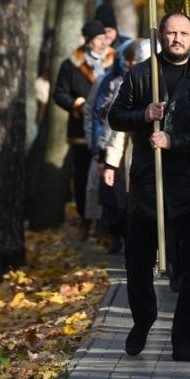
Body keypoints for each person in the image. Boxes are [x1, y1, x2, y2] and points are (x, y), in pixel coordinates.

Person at [108, 13, 190, 362]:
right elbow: (116, 116)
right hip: (148, 184)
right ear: (160, 35)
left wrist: (175, 140)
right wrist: (143, 116)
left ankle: (184, 339)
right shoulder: (141, 74)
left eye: (183, 33)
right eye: (171, 32)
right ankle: (143, 319)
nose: (177, 38)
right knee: (137, 263)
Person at [54, 20, 116, 242]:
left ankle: (104, 224)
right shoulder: (71, 65)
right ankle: (84, 219)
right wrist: (77, 105)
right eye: (98, 40)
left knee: (107, 177)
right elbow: (59, 93)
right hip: (82, 132)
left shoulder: (114, 61)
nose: (103, 43)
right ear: (89, 42)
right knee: (81, 179)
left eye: (104, 39)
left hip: (110, 130)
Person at [84, 37, 137, 254]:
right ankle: (115, 236)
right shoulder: (110, 82)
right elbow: (97, 114)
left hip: (134, 149)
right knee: (113, 197)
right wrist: (98, 150)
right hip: (112, 143)